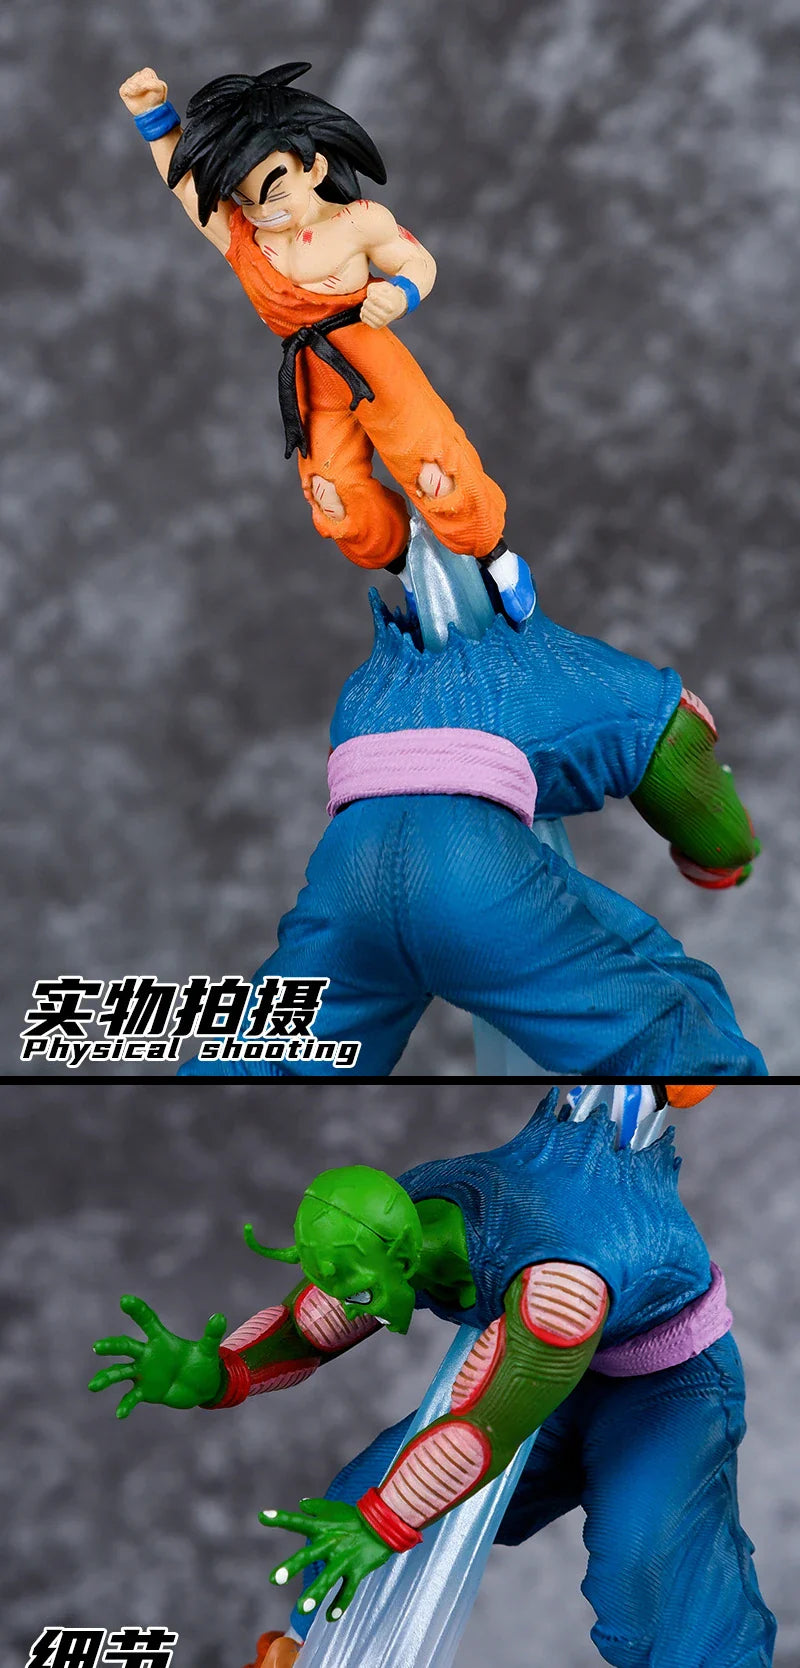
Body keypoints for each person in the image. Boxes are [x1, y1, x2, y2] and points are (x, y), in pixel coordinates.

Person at [88, 1088, 776, 1668]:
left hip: (666, 1385)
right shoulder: (418, 1206)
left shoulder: (560, 1285)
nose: (344, 1299)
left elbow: (483, 1430)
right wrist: (222, 1371)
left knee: (646, 1575)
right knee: (348, 1512)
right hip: (539, 1366)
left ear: (403, 1255)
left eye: (356, 1283)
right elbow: (311, 1325)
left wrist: (383, 1522)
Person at [179, 585, 765, 1077]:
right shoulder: (584, 672)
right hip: (471, 870)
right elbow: (690, 780)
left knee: (259, 1060)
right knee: (675, 1022)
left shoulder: (366, 687)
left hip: (349, 867)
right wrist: (726, 857)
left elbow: (373, 780)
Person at [117, 63, 534, 621]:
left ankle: (496, 559)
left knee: (433, 467)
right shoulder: (244, 237)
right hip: (310, 376)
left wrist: (402, 294)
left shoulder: (358, 222)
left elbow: (418, 261)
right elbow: (186, 185)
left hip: (371, 358)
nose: (264, 210)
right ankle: (410, 567)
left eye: (274, 188)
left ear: (312, 167)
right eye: (246, 199)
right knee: (331, 493)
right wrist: (153, 116)